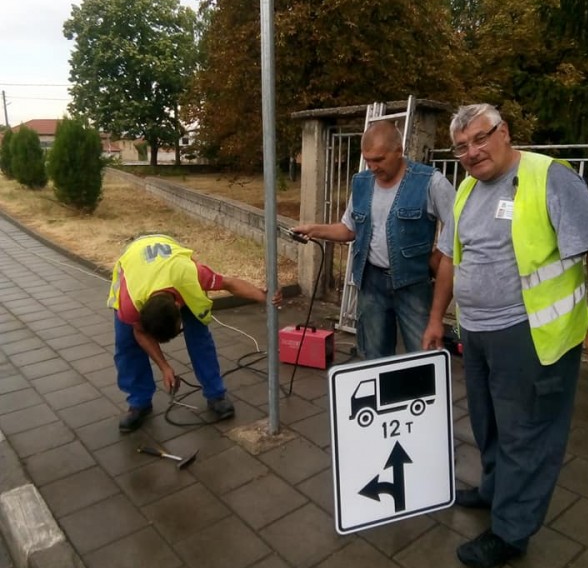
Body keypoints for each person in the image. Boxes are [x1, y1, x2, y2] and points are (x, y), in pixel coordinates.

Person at [422, 103, 588, 568]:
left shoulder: (550, 177)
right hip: (477, 333)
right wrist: (437, 318)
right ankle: (495, 489)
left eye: (480, 139)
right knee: (489, 423)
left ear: (505, 132)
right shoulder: (465, 190)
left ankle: (511, 532)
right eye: (461, 147)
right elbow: (450, 261)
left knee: (527, 435)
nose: (472, 152)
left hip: (531, 336)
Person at [293, 119, 455, 358]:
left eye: (379, 159)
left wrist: (438, 257)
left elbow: (458, 229)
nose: (372, 167)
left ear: (399, 151)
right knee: (374, 356)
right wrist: (313, 229)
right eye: (367, 159)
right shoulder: (361, 183)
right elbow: (349, 229)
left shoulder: (430, 181)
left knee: (424, 356)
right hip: (371, 282)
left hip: (413, 284)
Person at [107, 233, 281, 433]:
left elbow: (229, 283)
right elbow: (140, 334)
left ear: (177, 305)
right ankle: (139, 402)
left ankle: (215, 394)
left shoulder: (192, 274)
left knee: (199, 334)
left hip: (169, 257)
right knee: (126, 343)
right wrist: (164, 367)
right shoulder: (130, 302)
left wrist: (264, 297)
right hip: (134, 261)